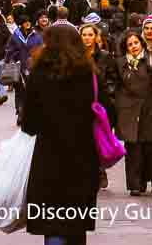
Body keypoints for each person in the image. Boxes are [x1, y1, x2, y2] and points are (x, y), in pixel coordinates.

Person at [22, 25, 100, 245]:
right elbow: (106, 113)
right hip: (83, 158)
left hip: (49, 159)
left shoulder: (39, 74)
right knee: (75, 225)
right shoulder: (88, 74)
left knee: (53, 222)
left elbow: (29, 124)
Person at [113, 30, 152, 196]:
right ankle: (135, 185)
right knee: (133, 147)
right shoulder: (120, 62)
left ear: (141, 44)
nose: (133, 47)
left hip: (151, 108)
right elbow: (114, 83)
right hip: (129, 108)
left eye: (136, 43)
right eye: (130, 44)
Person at [81, 20, 116, 190]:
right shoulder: (77, 56)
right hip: (82, 104)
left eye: (90, 35)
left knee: (99, 138)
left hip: (101, 104)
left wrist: (109, 95)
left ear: (96, 37)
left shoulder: (105, 56)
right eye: (84, 35)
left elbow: (112, 78)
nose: (87, 38)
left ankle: (101, 171)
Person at [5, 12, 43, 123]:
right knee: (19, 91)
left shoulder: (36, 36)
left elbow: (41, 50)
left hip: (33, 67)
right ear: (21, 24)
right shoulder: (15, 36)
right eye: (25, 22)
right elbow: (8, 50)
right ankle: (20, 112)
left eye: (29, 22)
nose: (28, 24)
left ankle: (28, 113)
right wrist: (11, 59)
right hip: (18, 67)